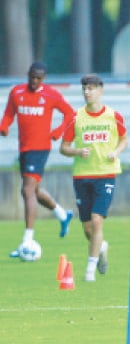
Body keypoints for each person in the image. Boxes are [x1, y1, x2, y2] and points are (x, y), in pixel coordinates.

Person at [0, 61, 75, 258]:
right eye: (31, 77)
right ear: (28, 75)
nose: (34, 81)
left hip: (40, 148)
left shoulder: (51, 95)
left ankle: (27, 239)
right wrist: (4, 126)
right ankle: (62, 214)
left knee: (26, 190)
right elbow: (9, 114)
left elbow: (70, 113)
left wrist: (58, 131)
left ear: (44, 79)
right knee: (34, 190)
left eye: (38, 78)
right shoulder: (16, 93)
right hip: (24, 148)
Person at [59, 74, 128, 282]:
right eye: (84, 89)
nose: (87, 92)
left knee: (98, 221)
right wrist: (77, 152)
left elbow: (124, 139)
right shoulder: (76, 117)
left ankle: (89, 271)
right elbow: (64, 147)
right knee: (88, 228)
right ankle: (102, 247)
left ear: (100, 90)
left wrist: (116, 152)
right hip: (82, 175)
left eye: (91, 88)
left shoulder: (113, 116)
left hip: (105, 174)